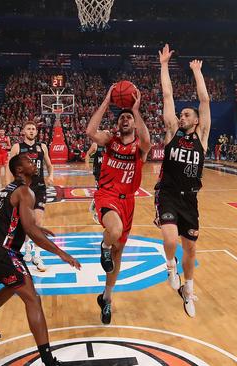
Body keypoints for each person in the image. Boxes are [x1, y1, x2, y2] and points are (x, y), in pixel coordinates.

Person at [0, 154, 80, 366]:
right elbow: (29, 229)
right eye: (28, 161)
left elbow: (17, 219)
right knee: (32, 298)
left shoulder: (13, 189)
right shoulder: (25, 191)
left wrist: (37, 228)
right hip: (0, 248)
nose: (33, 163)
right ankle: (49, 361)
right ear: (19, 170)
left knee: (13, 285)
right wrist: (62, 253)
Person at [86, 84, 151, 324]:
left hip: (128, 202)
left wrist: (136, 109)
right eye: (122, 117)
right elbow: (90, 131)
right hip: (107, 196)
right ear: (118, 124)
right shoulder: (110, 140)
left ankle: (107, 298)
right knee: (113, 231)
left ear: (134, 123)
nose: (125, 120)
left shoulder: (140, 148)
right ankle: (103, 246)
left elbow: (147, 140)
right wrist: (106, 101)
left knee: (118, 253)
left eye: (128, 117)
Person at [155, 44, 211, 318]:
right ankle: (169, 268)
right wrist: (164, 64)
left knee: (190, 248)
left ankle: (188, 290)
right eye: (182, 113)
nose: (182, 115)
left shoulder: (202, 137)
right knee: (168, 237)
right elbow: (167, 95)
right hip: (168, 192)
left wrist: (197, 72)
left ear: (197, 121)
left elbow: (205, 101)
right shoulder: (172, 132)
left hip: (190, 198)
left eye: (187, 114)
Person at [7, 121, 55, 272]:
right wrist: (9, 187)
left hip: (39, 188)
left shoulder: (42, 147)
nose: (32, 131)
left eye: (34, 129)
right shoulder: (17, 147)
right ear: (23, 131)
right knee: (27, 223)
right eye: (29, 128)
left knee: (38, 222)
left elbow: (50, 165)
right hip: (24, 189)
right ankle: (28, 248)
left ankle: (37, 255)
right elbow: (8, 167)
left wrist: (51, 176)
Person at [84, 140, 107, 224]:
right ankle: (97, 215)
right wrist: (87, 164)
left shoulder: (111, 145)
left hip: (107, 173)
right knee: (102, 193)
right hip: (98, 172)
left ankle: (93, 205)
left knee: (103, 192)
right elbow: (87, 154)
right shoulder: (96, 144)